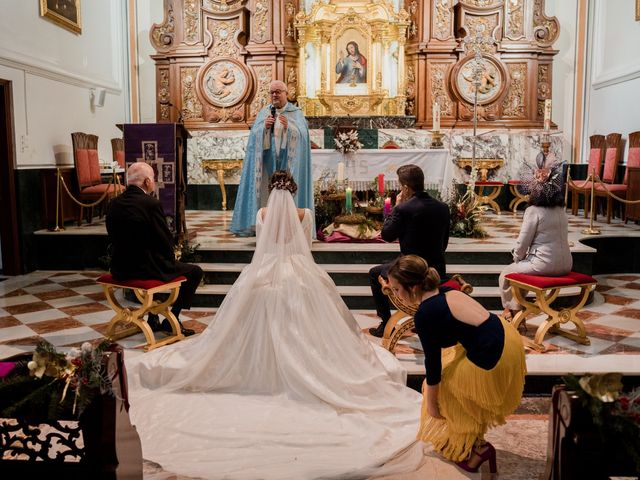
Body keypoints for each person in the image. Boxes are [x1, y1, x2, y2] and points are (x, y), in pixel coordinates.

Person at [124, 171, 429, 479]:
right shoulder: (305, 214)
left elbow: (263, 247)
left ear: (270, 191)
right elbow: (305, 247)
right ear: (294, 190)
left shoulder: (261, 213)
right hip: (300, 272)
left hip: (265, 272)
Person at [387, 254, 526, 474]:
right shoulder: (445, 289)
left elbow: (433, 367)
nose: (395, 295)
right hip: (507, 338)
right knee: (454, 377)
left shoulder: (425, 313)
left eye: (396, 289)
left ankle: (477, 449)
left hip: (492, 353)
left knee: (449, 393)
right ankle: (474, 442)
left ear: (413, 287)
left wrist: (432, 404)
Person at [106, 162, 202, 336]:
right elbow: (164, 240)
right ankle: (171, 318)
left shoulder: (113, 203)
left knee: (162, 264)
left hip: (120, 268)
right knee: (194, 272)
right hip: (147, 269)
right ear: (148, 181)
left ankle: (152, 318)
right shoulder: (151, 204)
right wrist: (170, 259)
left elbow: (112, 236)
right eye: (154, 180)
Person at [369, 164, 450, 337]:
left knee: (375, 273)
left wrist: (396, 207)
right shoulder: (442, 207)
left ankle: (385, 322)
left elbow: (387, 235)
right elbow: (444, 244)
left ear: (405, 188)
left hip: (411, 271)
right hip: (437, 269)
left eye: (400, 186)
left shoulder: (404, 209)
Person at [231, 80, 313, 236]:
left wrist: (290, 127)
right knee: (266, 191)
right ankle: (266, 225)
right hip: (268, 162)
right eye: (272, 92)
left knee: (288, 189)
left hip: (288, 162)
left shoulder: (296, 113)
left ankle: (290, 225)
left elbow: (303, 136)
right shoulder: (264, 113)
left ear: (286, 94)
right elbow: (254, 137)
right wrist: (264, 128)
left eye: (278, 92)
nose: (275, 95)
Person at [498, 159, 571, 320]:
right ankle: (516, 311)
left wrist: (517, 256)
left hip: (544, 264)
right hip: (566, 264)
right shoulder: (561, 210)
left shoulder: (533, 210)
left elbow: (523, 242)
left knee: (506, 273)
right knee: (520, 271)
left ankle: (513, 312)